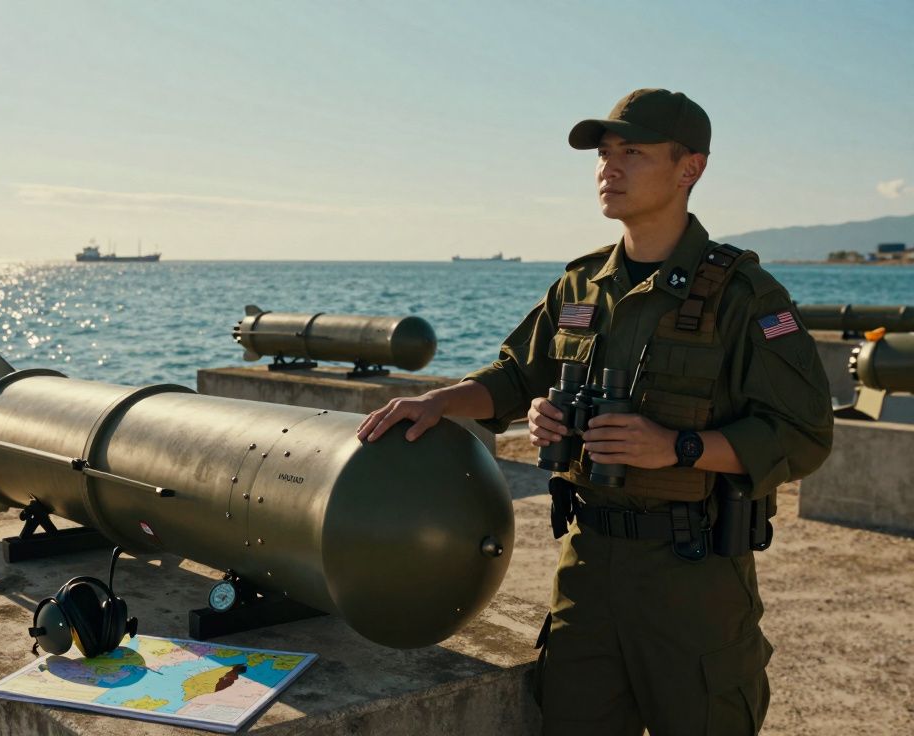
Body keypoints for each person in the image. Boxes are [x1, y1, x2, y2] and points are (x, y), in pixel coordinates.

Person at [356, 88, 833, 735]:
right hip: (590, 566)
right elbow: (517, 375)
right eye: (605, 154)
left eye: (632, 152)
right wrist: (441, 401)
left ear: (689, 168)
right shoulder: (580, 285)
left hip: (692, 575)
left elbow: (804, 435)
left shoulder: (746, 295)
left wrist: (678, 447)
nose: (610, 168)